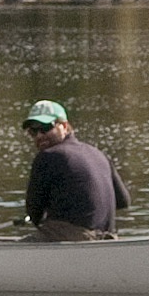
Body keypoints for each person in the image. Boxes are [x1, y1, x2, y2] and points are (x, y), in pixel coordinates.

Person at [18, 99, 125, 240]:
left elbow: (34, 213)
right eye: (33, 132)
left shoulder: (47, 156)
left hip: (75, 239)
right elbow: (123, 201)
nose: (39, 136)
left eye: (45, 128)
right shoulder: (98, 153)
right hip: (108, 238)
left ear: (64, 126)